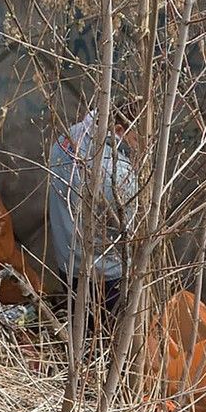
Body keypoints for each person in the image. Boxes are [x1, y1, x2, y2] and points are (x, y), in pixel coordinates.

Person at [46, 103, 139, 316]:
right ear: (118, 131)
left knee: (78, 328)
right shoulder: (118, 174)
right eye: (139, 138)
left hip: (67, 260)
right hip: (105, 273)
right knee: (105, 336)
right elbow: (130, 231)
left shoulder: (71, 135)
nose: (142, 146)